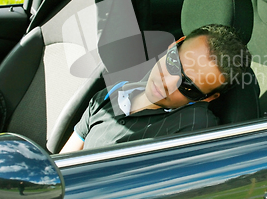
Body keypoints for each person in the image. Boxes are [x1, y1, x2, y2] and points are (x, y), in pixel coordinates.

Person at [60, 24, 251, 153]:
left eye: (188, 86)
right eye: (173, 63)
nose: (167, 83)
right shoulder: (114, 92)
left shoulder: (193, 128)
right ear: (173, 45)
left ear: (207, 98)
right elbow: (64, 162)